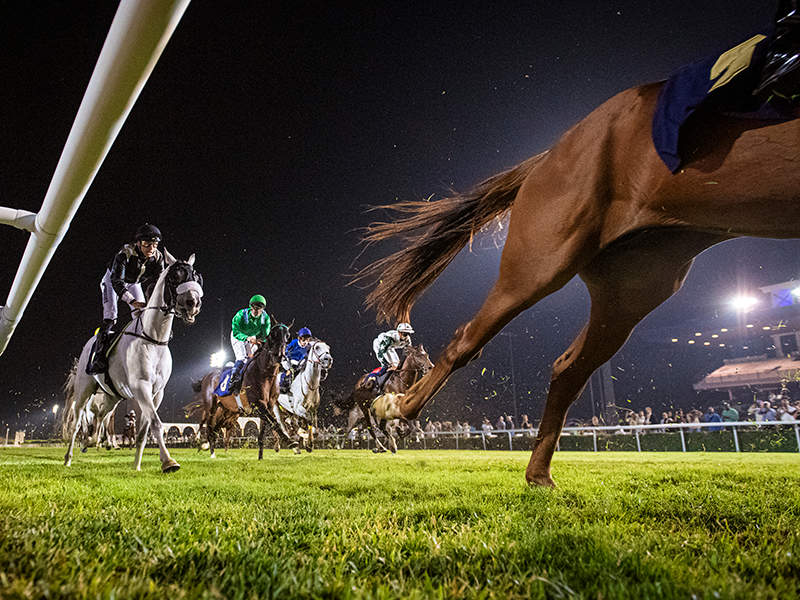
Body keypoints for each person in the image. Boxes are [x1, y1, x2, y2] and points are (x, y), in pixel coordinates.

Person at [87, 223, 166, 374]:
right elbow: (117, 281)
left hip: (134, 283)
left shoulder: (158, 257)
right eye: (146, 243)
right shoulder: (125, 253)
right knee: (110, 317)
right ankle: (98, 358)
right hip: (112, 281)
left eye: (154, 244)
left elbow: (159, 284)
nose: (151, 248)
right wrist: (132, 301)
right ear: (138, 243)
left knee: (142, 316)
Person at [228, 295, 271, 389]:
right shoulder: (241, 314)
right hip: (238, 336)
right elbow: (236, 332)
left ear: (263, 309)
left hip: (252, 336)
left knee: (254, 358)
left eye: (260, 308)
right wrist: (247, 338)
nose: (257, 311)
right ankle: (233, 380)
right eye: (255, 308)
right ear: (251, 307)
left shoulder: (266, 318)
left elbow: (265, 335)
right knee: (242, 357)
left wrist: (262, 342)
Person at [370, 322, 414, 389]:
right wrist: (386, 363)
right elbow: (382, 352)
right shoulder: (390, 338)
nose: (407, 336)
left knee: (397, 364)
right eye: (405, 334)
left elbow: (408, 352)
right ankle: (376, 382)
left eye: (408, 334)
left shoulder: (408, 340)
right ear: (399, 333)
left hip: (390, 347)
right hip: (380, 346)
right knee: (388, 365)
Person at [281, 327, 313, 392]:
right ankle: (282, 386)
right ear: (299, 338)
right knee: (288, 372)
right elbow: (285, 351)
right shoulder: (293, 343)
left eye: (307, 340)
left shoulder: (308, 346)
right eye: (303, 340)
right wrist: (288, 359)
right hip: (289, 361)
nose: (305, 342)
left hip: (300, 364)